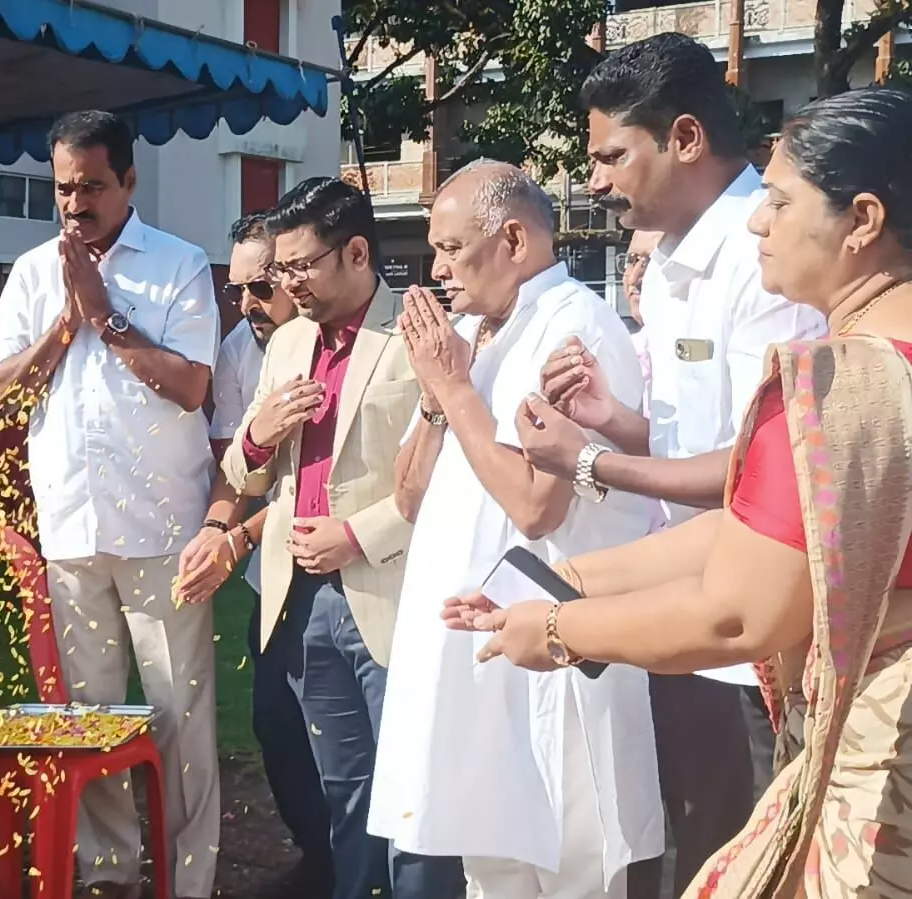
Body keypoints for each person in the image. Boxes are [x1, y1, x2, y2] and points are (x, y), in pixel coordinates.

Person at [450, 86, 912, 899]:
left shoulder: (834, 386)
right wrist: (573, 582)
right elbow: (759, 526)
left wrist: (559, 627)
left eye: (778, 200)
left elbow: (737, 610)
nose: (758, 222)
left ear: (863, 221)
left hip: (881, 771)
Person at [526, 33, 826, 893]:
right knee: (688, 833)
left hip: (753, 625)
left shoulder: (762, 257)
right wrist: (612, 422)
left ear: (685, 138)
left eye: (612, 155)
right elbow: (692, 436)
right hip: (689, 601)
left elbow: (758, 470)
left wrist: (586, 461)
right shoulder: (665, 263)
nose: (595, 180)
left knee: (749, 849)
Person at [367, 160, 661, 899]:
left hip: (557, 648)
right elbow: (408, 492)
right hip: (473, 647)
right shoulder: (465, 334)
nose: (436, 269)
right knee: (489, 872)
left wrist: (456, 388)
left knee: (570, 870)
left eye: (450, 248)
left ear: (512, 239)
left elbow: (537, 506)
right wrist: (438, 400)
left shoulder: (576, 329)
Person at [0, 110, 221, 899]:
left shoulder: (179, 265)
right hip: (71, 528)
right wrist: (64, 320)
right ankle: (110, 874)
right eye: (62, 187)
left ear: (127, 182)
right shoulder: (29, 271)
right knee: (87, 718)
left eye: (89, 185)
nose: (74, 203)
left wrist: (107, 315)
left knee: (177, 716)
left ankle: (188, 883)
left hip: (162, 529)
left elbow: (192, 386)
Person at [221, 176, 463, 899]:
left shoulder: (416, 334)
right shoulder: (287, 341)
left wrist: (356, 534)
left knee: (414, 788)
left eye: (300, 266)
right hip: (300, 596)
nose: (287, 284)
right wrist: (260, 437)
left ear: (357, 252)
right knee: (344, 788)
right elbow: (245, 470)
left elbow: (447, 470)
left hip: (392, 589)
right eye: (279, 270)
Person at [176, 211, 331, 898]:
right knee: (274, 715)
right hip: (272, 563)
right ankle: (318, 854)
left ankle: (356, 867)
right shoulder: (244, 347)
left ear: (298, 274)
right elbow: (241, 467)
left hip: (339, 557)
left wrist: (236, 534)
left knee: (342, 731)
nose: (245, 306)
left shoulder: (329, 343)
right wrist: (216, 526)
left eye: (259, 287)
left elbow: (311, 484)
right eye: (235, 289)